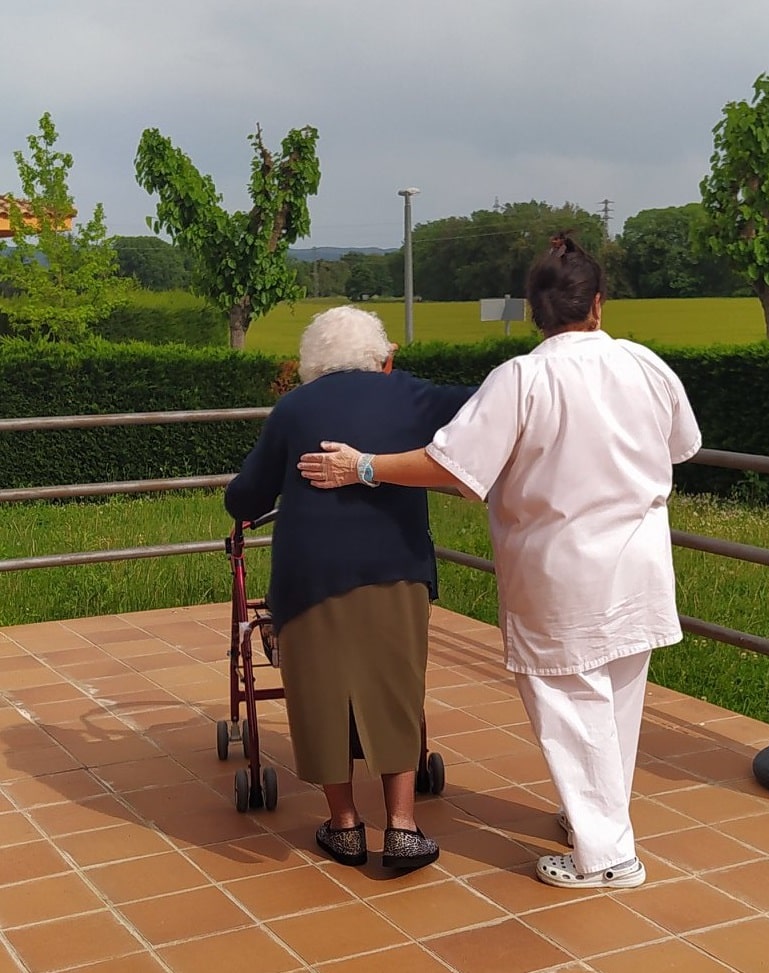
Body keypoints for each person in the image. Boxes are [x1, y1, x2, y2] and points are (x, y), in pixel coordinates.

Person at [298, 234, 702, 889]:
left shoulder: (524, 377)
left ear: (535, 310)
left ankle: (608, 856)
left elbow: (453, 467)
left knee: (571, 708)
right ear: (598, 304)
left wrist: (364, 466)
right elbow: (682, 444)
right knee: (616, 701)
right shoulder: (645, 365)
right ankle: (597, 819)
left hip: (562, 569)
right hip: (640, 562)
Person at [225, 305, 474, 870]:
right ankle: (405, 827)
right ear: (383, 357)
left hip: (311, 575)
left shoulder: (293, 408)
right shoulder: (411, 395)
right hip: (397, 567)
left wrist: (241, 495)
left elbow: (249, 497)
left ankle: (344, 827)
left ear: (312, 361)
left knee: (320, 692)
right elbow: (487, 403)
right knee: (395, 687)